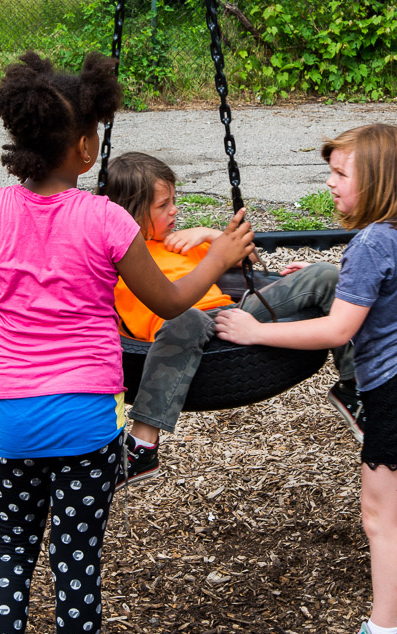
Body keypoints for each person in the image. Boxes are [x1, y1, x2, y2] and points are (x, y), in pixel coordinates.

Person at [0, 53, 253, 634]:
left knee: (12, 556)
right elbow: (167, 302)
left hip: (13, 425)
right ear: (82, 148)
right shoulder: (104, 218)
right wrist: (218, 256)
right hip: (85, 426)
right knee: (76, 564)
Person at [215, 123, 397, 634]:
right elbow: (377, 291)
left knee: (379, 515)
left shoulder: (372, 242)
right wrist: (323, 278)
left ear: (376, 180)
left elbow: (336, 332)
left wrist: (255, 333)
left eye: (340, 174)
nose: (330, 183)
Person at [105, 151, 361, 485]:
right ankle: (141, 444)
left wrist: (212, 236)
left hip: (232, 319)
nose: (174, 211)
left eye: (174, 201)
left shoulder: (177, 243)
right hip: (176, 333)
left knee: (326, 275)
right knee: (189, 317)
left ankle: (354, 387)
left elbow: (250, 258)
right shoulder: (114, 258)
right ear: (132, 214)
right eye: (163, 205)